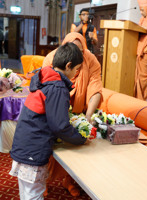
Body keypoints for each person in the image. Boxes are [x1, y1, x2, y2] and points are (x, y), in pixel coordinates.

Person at [9, 42, 87, 200]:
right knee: (34, 195)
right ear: (69, 65)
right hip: (34, 149)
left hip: (24, 144)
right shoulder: (57, 87)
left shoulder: (44, 77)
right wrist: (80, 139)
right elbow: (59, 125)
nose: (77, 73)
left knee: (27, 193)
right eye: (77, 69)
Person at [42, 32, 102, 196]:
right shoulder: (52, 58)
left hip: (78, 111)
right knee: (51, 147)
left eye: (80, 52)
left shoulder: (90, 60)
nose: (76, 55)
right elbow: (46, 89)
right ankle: (43, 182)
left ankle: (68, 181)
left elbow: (95, 88)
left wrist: (88, 116)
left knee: (75, 151)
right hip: (55, 111)